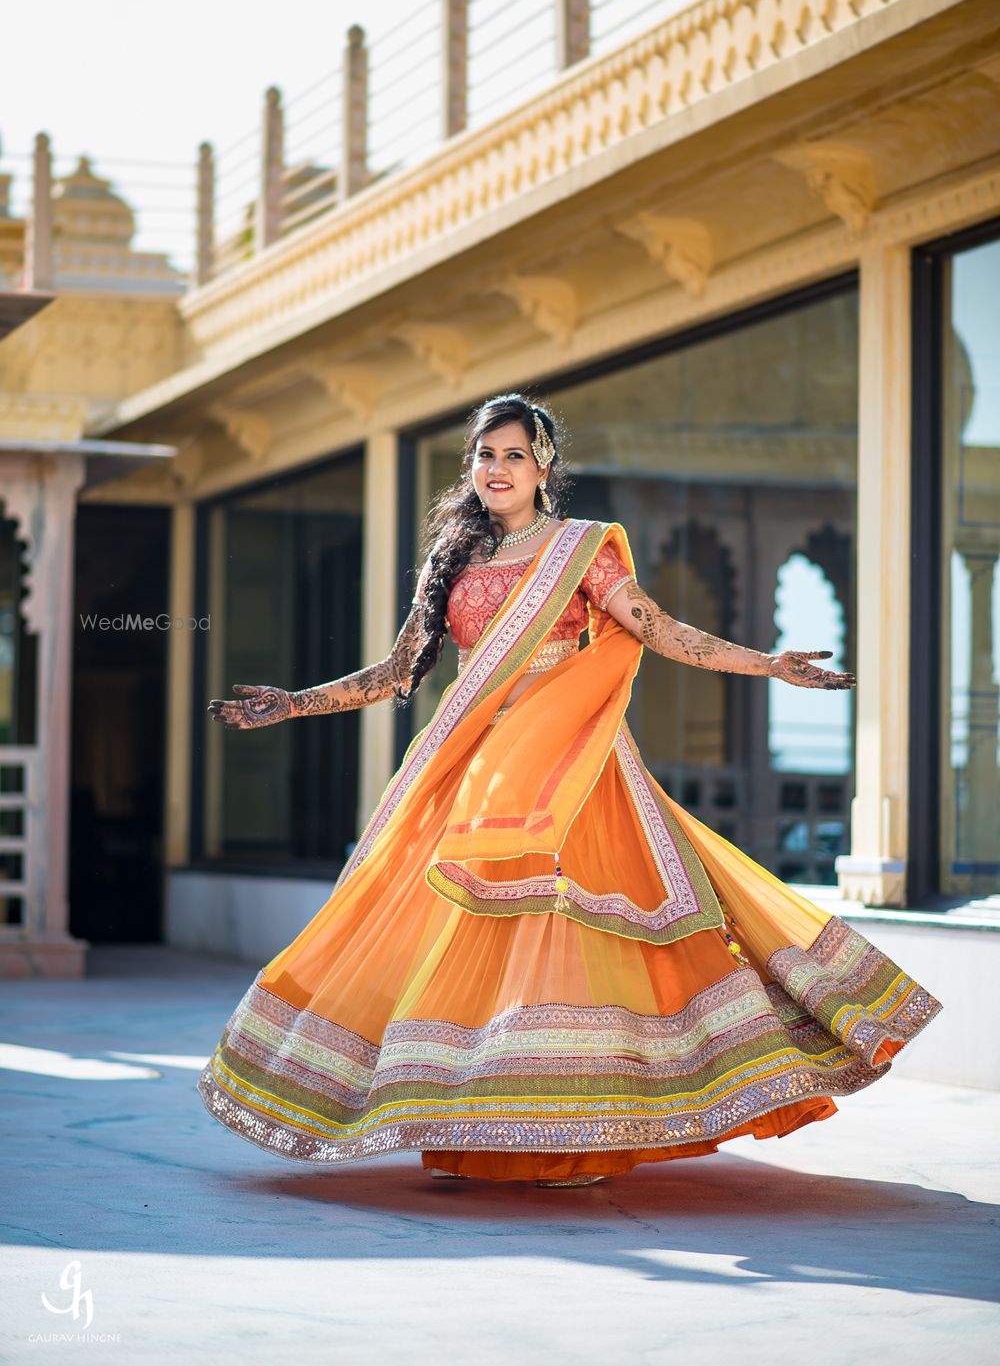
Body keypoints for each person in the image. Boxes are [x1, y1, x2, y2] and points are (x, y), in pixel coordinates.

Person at [198, 392, 942, 1188]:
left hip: (573, 771)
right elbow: (394, 674)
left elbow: (657, 628)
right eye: (487, 455)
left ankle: (574, 1122)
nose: (498, 469)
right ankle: (484, 1113)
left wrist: (765, 664)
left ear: (544, 465)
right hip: (477, 770)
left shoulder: (582, 550)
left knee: (566, 936)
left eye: (515, 455)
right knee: (457, 938)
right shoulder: (456, 557)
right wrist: (296, 703)